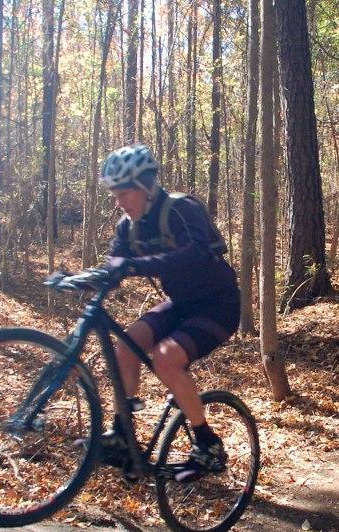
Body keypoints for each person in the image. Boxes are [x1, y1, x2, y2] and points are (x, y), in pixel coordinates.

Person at [97, 144, 240, 483]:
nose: (119, 202)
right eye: (114, 195)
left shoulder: (182, 209)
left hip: (219, 305)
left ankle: (208, 445)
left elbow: (194, 252)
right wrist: (80, 280)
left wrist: (136, 264)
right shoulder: (127, 227)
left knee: (165, 358)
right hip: (181, 304)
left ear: (146, 186)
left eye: (124, 192)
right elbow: (114, 267)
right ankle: (122, 435)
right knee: (127, 345)